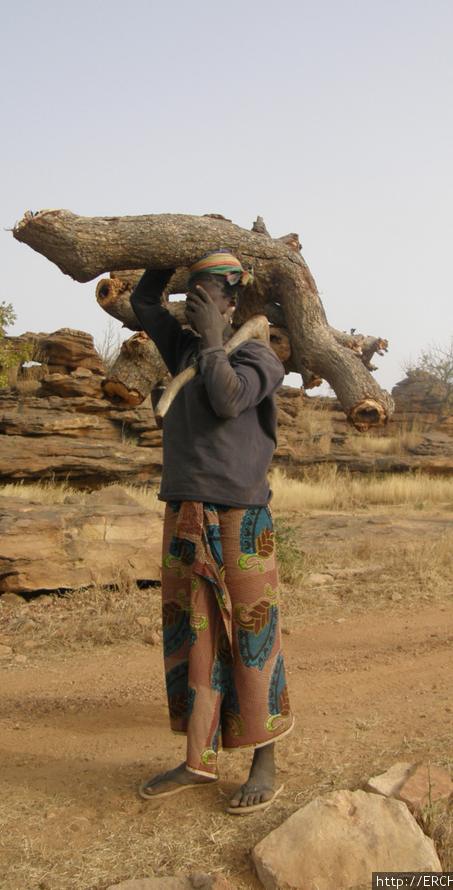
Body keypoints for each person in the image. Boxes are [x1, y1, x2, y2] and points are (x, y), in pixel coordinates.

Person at [131, 250, 294, 814]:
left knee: (250, 639)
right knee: (192, 639)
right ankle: (197, 759)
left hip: (240, 516)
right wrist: (167, 256)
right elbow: (142, 302)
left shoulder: (259, 355)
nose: (196, 300)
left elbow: (227, 399)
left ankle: (265, 763)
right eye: (190, 290)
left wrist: (210, 336)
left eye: (209, 291)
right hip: (184, 509)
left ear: (232, 300)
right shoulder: (183, 349)